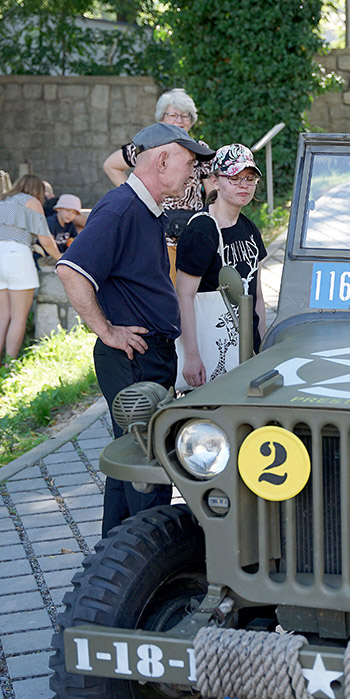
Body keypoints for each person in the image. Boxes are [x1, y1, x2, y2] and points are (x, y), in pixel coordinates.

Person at [58, 122, 216, 537]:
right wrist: (107, 331)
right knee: (149, 474)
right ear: (162, 159)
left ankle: (113, 563)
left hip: (146, 358)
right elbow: (72, 271)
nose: (193, 174)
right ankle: (151, 572)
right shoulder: (122, 207)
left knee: (128, 470)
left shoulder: (145, 209)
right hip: (133, 359)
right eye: (189, 163)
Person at [175, 144, 269, 389]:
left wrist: (261, 346)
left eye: (250, 179)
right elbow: (184, 296)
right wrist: (192, 357)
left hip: (247, 351)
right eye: (234, 178)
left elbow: (256, 295)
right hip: (213, 350)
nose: (243, 185)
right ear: (215, 181)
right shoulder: (201, 230)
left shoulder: (249, 228)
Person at [101, 88, 213, 282]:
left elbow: (212, 189)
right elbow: (111, 165)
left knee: (193, 292)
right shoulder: (148, 146)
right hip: (159, 230)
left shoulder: (199, 149)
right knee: (164, 287)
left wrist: (212, 221)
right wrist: (138, 197)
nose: (180, 120)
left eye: (185, 116)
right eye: (174, 115)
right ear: (162, 118)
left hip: (192, 231)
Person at [0, 173, 62, 374]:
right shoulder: (31, 201)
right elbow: (46, 240)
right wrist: (62, 259)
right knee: (19, 317)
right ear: (37, 191)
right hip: (15, 256)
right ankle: (10, 366)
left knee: (2, 317)